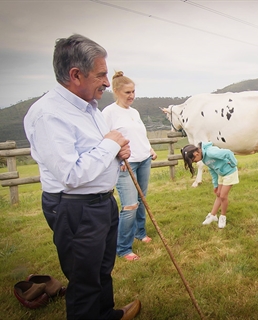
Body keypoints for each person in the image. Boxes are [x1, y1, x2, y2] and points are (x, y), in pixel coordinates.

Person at [23, 34, 141, 319]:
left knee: (102, 269)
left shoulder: (90, 107)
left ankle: (107, 314)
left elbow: (97, 149)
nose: (106, 82)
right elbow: (71, 174)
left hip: (100, 202)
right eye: (101, 75)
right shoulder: (48, 115)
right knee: (84, 279)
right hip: (75, 207)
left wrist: (116, 152)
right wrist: (111, 145)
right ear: (76, 75)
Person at [102, 71, 157, 261]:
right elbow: (104, 139)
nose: (132, 96)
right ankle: (123, 247)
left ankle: (139, 233)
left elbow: (139, 134)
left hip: (144, 159)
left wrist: (149, 149)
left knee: (142, 199)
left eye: (133, 92)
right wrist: (116, 157)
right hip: (126, 163)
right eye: (127, 92)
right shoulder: (108, 113)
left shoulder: (134, 112)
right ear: (116, 91)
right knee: (130, 205)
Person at [181, 142, 239, 229]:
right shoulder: (204, 158)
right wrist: (215, 185)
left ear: (196, 154)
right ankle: (213, 215)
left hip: (229, 173)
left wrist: (234, 164)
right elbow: (212, 170)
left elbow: (228, 152)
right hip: (221, 174)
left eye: (194, 160)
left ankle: (223, 217)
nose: (195, 162)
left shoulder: (210, 152)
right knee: (218, 194)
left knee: (223, 196)